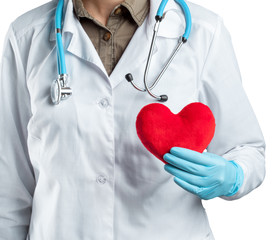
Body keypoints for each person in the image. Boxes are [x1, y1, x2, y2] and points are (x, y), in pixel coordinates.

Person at [0, 0, 265, 239]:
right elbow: (9, 183)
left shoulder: (203, 31)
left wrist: (233, 176)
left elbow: (247, 149)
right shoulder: (26, 36)